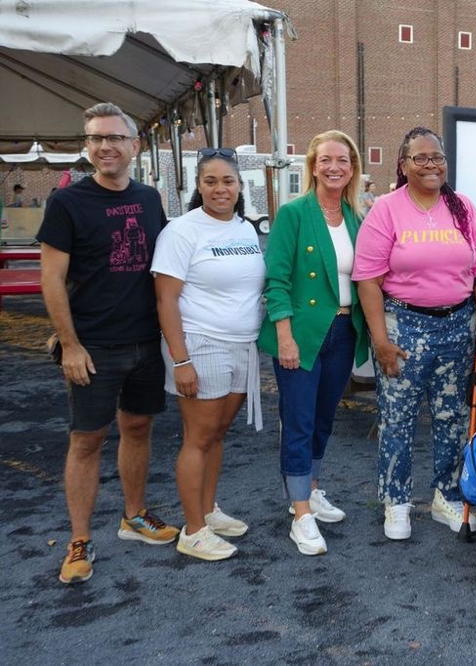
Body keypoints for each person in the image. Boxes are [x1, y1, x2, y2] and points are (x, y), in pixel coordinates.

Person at [37, 102, 179, 585]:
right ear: (87, 146)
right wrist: (71, 345)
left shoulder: (148, 198)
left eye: (115, 138)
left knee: (138, 427)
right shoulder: (68, 203)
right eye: (96, 138)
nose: (105, 146)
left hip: (144, 340)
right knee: (87, 439)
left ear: (134, 145)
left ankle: (134, 516)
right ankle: (80, 539)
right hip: (94, 346)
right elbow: (52, 280)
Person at [353, 126, 476, 540]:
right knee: (397, 419)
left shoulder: (464, 209)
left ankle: (446, 497)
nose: (431, 164)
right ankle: (395, 502)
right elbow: (368, 281)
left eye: (438, 157)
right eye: (421, 158)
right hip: (404, 325)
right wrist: (380, 341)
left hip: (457, 324)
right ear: (403, 165)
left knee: (452, 418)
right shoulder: (386, 210)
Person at [258, 130, 370, 556]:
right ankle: (300, 512)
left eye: (342, 160)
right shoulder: (295, 213)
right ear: (313, 165)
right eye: (325, 159)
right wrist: (284, 337)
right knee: (300, 421)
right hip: (301, 333)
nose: (334, 167)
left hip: (343, 331)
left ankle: (313, 488)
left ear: (353, 168)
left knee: (324, 419)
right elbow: (277, 279)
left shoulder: (356, 218)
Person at [152, 147, 265, 561]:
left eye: (228, 181)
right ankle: (193, 530)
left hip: (242, 346)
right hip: (201, 344)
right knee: (198, 438)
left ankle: (208, 509)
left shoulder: (244, 229)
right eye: (211, 181)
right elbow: (166, 300)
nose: (220, 188)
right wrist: (181, 360)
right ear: (198, 187)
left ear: (240, 187)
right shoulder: (182, 231)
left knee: (217, 434)